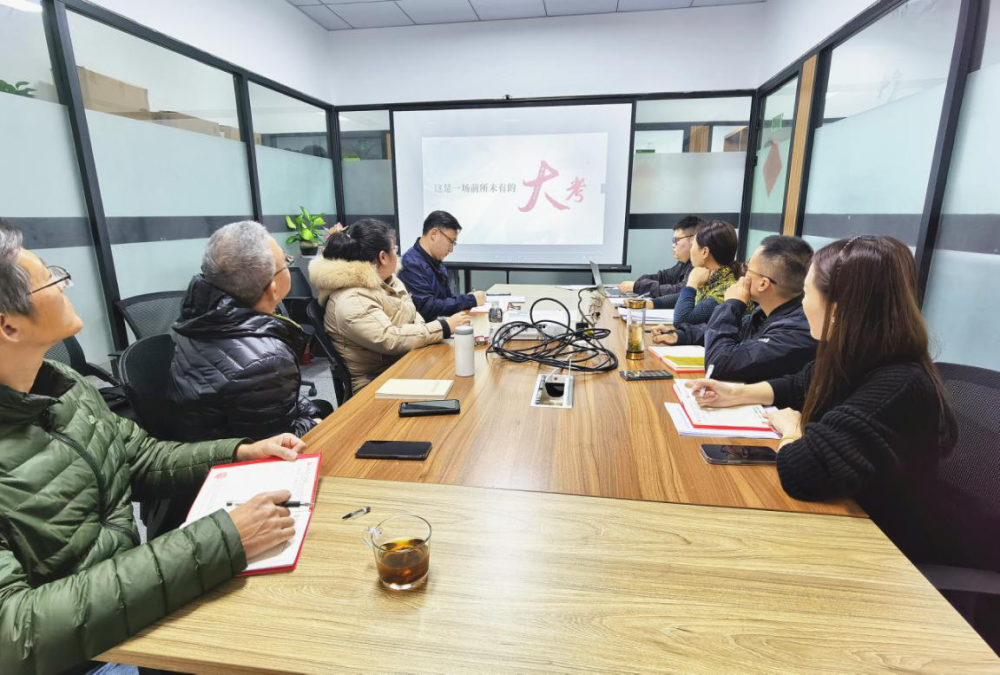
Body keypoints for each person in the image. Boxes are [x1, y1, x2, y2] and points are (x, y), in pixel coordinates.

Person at [0, 221, 307, 674]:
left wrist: (239, 452)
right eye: (50, 278)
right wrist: (220, 539)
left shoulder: (61, 384)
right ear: (8, 325)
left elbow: (138, 458)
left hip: (133, 608)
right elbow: (16, 631)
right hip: (88, 658)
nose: (65, 284)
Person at [686, 235, 958, 563]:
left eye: (807, 293)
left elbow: (801, 470)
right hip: (842, 516)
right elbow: (800, 384)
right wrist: (735, 393)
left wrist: (792, 429)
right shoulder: (858, 354)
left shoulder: (896, 383)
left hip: (880, 548)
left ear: (836, 310)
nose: (802, 305)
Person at [167, 221, 332, 443]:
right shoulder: (265, 360)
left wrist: (310, 412)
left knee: (322, 408)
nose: (289, 263)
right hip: (244, 457)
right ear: (273, 289)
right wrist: (314, 422)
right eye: (286, 262)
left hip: (214, 433)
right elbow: (280, 444)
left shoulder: (197, 317)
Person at [310, 218, 470, 392]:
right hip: (376, 383)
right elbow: (390, 339)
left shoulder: (388, 281)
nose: (398, 254)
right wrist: (443, 327)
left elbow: (412, 315)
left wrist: (426, 330)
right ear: (383, 257)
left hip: (403, 363)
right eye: (395, 249)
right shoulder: (352, 299)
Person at [651, 235, 816, 382]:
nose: (743, 275)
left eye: (748, 269)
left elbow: (719, 364)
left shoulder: (794, 331)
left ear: (763, 284)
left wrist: (731, 303)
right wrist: (680, 335)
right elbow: (737, 330)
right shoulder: (765, 313)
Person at [398, 210, 487, 321]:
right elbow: (428, 308)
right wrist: (470, 300)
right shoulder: (410, 265)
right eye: (451, 241)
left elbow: (446, 300)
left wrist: (467, 299)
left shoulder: (436, 262)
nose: (451, 249)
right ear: (434, 234)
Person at [652, 220, 743, 325]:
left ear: (704, 252)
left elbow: (681, 320)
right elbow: (682, 297)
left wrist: (692, 283)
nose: (691, 250)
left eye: (693, 245)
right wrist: (650, 303)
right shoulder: (714, 277)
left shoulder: (725, 290)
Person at [619, 215, 704, 307]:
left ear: (693, 240)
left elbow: (679, 291)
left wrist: (639, 287)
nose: (673, 245)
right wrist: (638, 284)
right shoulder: (683, 263)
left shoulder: (700, 265)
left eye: (676, 240)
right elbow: (663, 277)